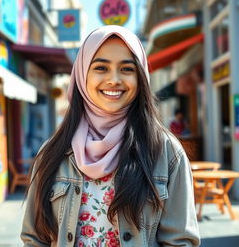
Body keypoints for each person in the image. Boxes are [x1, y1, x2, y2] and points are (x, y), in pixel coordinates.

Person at [21, 25, 200, 247]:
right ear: (82, 74)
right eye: (101, 68)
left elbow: (180, 241)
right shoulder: (51, 153)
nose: (114, 79)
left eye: (127, 69)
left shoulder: (165, 151)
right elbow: (34, 239)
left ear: (141, 77)